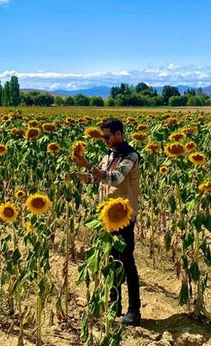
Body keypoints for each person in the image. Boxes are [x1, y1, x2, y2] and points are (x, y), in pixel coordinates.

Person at [72, 118, 142, 326]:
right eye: (103, 136)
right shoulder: (110, 154)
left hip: (124, 215)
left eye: (107, 136)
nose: (104, 140)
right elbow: (99, 179)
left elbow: (115, 178)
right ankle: (114, 304)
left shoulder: (131, 156)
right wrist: (84, 176)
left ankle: (134, 311)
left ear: (119, 133)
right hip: (107, 215)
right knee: (112, 260)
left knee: (126, 261)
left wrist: (89, 166)